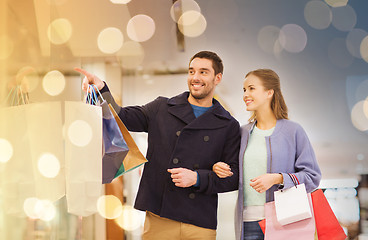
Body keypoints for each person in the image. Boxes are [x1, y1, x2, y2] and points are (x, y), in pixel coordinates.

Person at [75, 51, 240, 240]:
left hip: (200, 220)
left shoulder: (228, 124)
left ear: (217, 78)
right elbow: (122, 117)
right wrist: (102, 89)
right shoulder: (162, 108)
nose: (195, 77)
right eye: (192, 71)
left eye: (203, 72)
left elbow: (233, 178)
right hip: (160, 217)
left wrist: (197, 178)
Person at [213, 69, 321, 240]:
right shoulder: (242, 133)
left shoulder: (293, 131)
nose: (245, 95)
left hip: (285, 221)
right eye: (244, 90)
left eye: (251, 88)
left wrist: (278, 178)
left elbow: (312, 177)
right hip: (247, 222)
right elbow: (233, 172)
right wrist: (219, 167)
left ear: (269, 92)